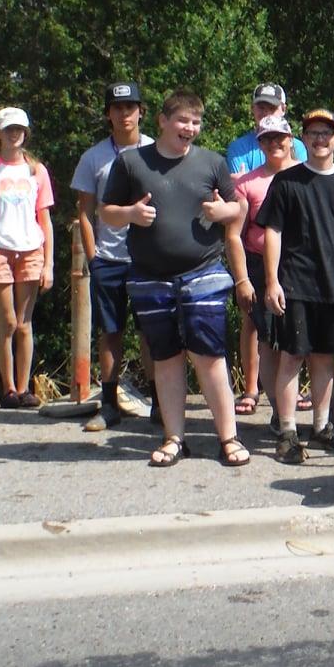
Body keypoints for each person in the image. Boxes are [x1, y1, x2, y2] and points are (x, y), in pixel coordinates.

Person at [101, 88, 253, 466]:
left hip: (203, 273)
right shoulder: (132, 163)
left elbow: (238, 207)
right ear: (163, 121)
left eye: (196, 122)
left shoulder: (212, 162)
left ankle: (228, 439)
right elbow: (106, 212)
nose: (190, 128)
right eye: (183, 120)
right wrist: (131, 214)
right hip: (149, 277)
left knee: (209, 356)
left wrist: (224, 211)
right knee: (166, 358)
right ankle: (173, 439)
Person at [259, 108, 334, 464]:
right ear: (303, 139)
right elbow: (272, 232)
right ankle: (288, 431)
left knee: (324, 359)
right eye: (313, 132)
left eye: (327, 132)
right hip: (295, 285)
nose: (320, 138)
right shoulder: (287, 182)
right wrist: (271, 281)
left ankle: (322, 427)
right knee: (292, 357)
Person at [70, 82, 153, 428]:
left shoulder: (156, 150)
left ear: (141, 112)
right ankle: (108, 403)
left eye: (130, 107)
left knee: (153, 330)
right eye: (117, 108)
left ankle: (160, 402)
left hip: (150, 258)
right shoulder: (94, 157)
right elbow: (85, 213)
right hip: (109, 258)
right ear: (108, 113)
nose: (124, 114)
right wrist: (94, 258)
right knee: (111, 331)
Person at [0, 106, 56, 409]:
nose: (14, 133)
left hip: (31, 248)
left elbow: (45, 219)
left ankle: (24, 389)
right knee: (6, 320)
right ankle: (7, 388)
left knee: (24, 323)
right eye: (9, 128)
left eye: (19, 128)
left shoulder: (37, 170)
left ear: (26, 132)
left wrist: (49, 263)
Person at [231, 115, 301, 423]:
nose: (274, 143)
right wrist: (242, 279)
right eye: (266, 139)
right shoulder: (248, 184)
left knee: (302, 339)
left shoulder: (307, 175)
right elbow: (234, 235)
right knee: (269, 340)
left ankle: (309, 410)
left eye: (279, 137)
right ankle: (277, 410)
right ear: (259, 143)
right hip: (261, 267)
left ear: (290, 139)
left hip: (301, 266)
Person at [224, 83, 307, 175]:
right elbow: (243, 186)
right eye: (261, 108)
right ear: (252, 109)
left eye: (272, 108)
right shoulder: (239, 148)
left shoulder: (297, 147)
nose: (266, 113)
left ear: (283, 109)